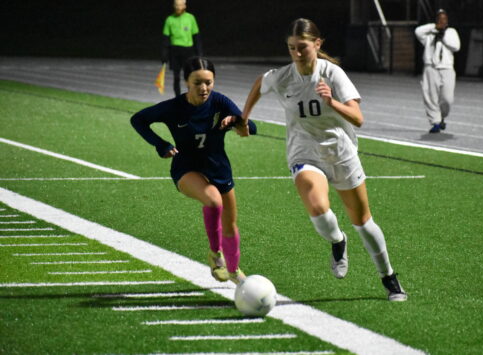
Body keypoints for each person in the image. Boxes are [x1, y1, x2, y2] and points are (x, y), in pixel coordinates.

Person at [241, 18, 407, 301]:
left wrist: (332, 102)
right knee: (317, 207)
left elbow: (358, 118)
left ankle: (389, 277)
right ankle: (337, 241)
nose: (297, 53)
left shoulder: (333, 74)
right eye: (292, 48)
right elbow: (260, 83)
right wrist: (244, 117)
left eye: (302, 47)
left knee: (363, 223)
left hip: (340, 152)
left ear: (317, 44)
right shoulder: (284, 76)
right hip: (304, 150)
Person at [131, 57, 257, 284]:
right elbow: (138, 119)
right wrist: (161, 145)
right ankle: (215, 255)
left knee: (230, 223)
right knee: (213, 201)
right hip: (186, 168)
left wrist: (237, 120)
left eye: (208, 82)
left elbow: (251, 127)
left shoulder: (219, 102)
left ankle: (234, 270)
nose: (204, 88)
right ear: (186, 82)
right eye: (197, 82)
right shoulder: (174, 107)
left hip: (218, 168)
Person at [415, 9, 460, 133]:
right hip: (431, 67)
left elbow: (456, 46)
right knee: (430, 96)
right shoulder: (430, 34)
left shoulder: (451, 32)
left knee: (447, 98)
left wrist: (443, 35)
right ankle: (435, 122)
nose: (442, 21)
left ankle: (442, 117)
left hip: (446, 68)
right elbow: (418, 31)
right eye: (439, 19)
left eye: (444, 19)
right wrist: (434, 27)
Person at [161, 0, 204, 96]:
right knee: (176, 77)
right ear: (173, 6)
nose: (178, 8)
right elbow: (165, 40)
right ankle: (178, 98)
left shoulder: (190, 18)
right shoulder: (170, 19)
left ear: (184, 5)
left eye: (180, 5)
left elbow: (196, 37)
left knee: (189, 76)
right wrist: (164, 55)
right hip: (175, 51)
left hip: (188, 51)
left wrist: (199, 53)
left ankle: (190, 97)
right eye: (176, 5)